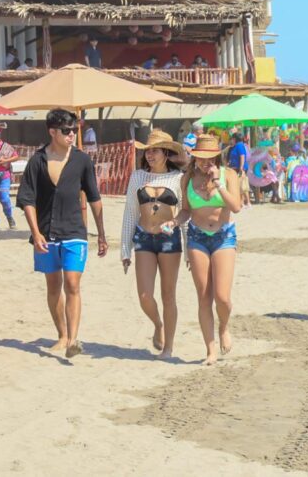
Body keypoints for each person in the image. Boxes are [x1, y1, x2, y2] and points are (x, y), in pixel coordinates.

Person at [16, 109, 108, 358]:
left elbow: (94, 198)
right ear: (52, 132)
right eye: (66, 131)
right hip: (46, 234)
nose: (71, 135)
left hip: (75, 232)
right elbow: (27, 200)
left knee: (73, 284)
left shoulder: (82, 160)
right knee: (53, 285)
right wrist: (35, 234)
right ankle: (62, 334)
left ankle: (73, 340)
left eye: (74, 130)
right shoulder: (37, 161)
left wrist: (101, 234)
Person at [175, 134, 242, 365]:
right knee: (204, 296)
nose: (206, 163)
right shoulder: (187, 179)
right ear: (194, 158)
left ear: (217, 156)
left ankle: (224, 326)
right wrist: (174, 221)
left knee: (222, 297)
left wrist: (219, 184)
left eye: (210, 158)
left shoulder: (229, 175)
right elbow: (185, 210)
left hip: (224, 236)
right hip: (197, 237)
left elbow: (236, 206)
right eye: (201, 158)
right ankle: (210, 350)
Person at [120, 130, 185, 359]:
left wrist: (186, 250)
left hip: (169, 239)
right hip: (144, 236)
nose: (149, 155)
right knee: (145, 295)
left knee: (169, 295)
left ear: (166, 153)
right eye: (147, 151)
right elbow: (130, 212)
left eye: (155, 150)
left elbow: (184, 212)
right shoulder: (137, 176)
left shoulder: (178, 178)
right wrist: (125, 248)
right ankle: (158, 325)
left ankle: (168, 347)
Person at [227, 133, 251, 209]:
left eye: (232, 139)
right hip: (235, 168)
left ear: (234, 139)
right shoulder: (235, 146)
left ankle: (248, 202)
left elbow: (242, 156)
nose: (231, 140)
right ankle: (242, 202)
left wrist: (241, 167)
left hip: (240, 169)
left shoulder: (239, 145)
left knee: (243, 185)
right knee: (239, 186)